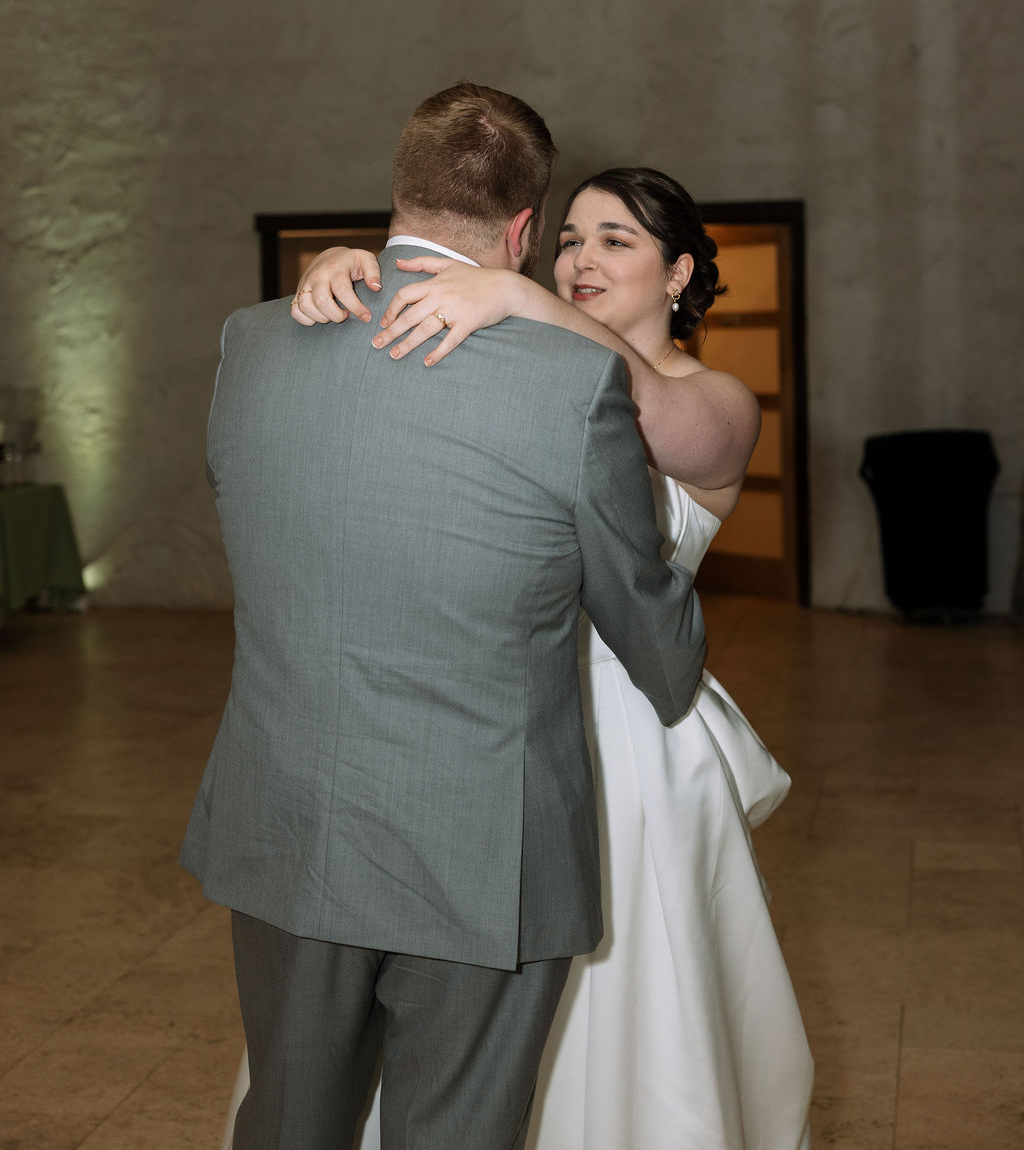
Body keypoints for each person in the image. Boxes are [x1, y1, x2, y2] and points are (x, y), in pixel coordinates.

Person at [184, 85, 710, 1150]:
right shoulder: (573, 383)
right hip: (481, 849)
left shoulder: (254, 341)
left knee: (287, 1121)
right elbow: (651, 635)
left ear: (399, 194)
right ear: (523, 230)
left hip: (290, 816)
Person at [258, 164, 815, 1150]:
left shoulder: (718, 400)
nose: (579, 259)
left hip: (629, 745)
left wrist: (519, 298)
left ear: (679, 272)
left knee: (620, 1016)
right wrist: (352, 275)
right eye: (567, 240)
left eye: (615, 240)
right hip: (471, 730)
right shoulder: (515, 356)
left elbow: (642, 404)